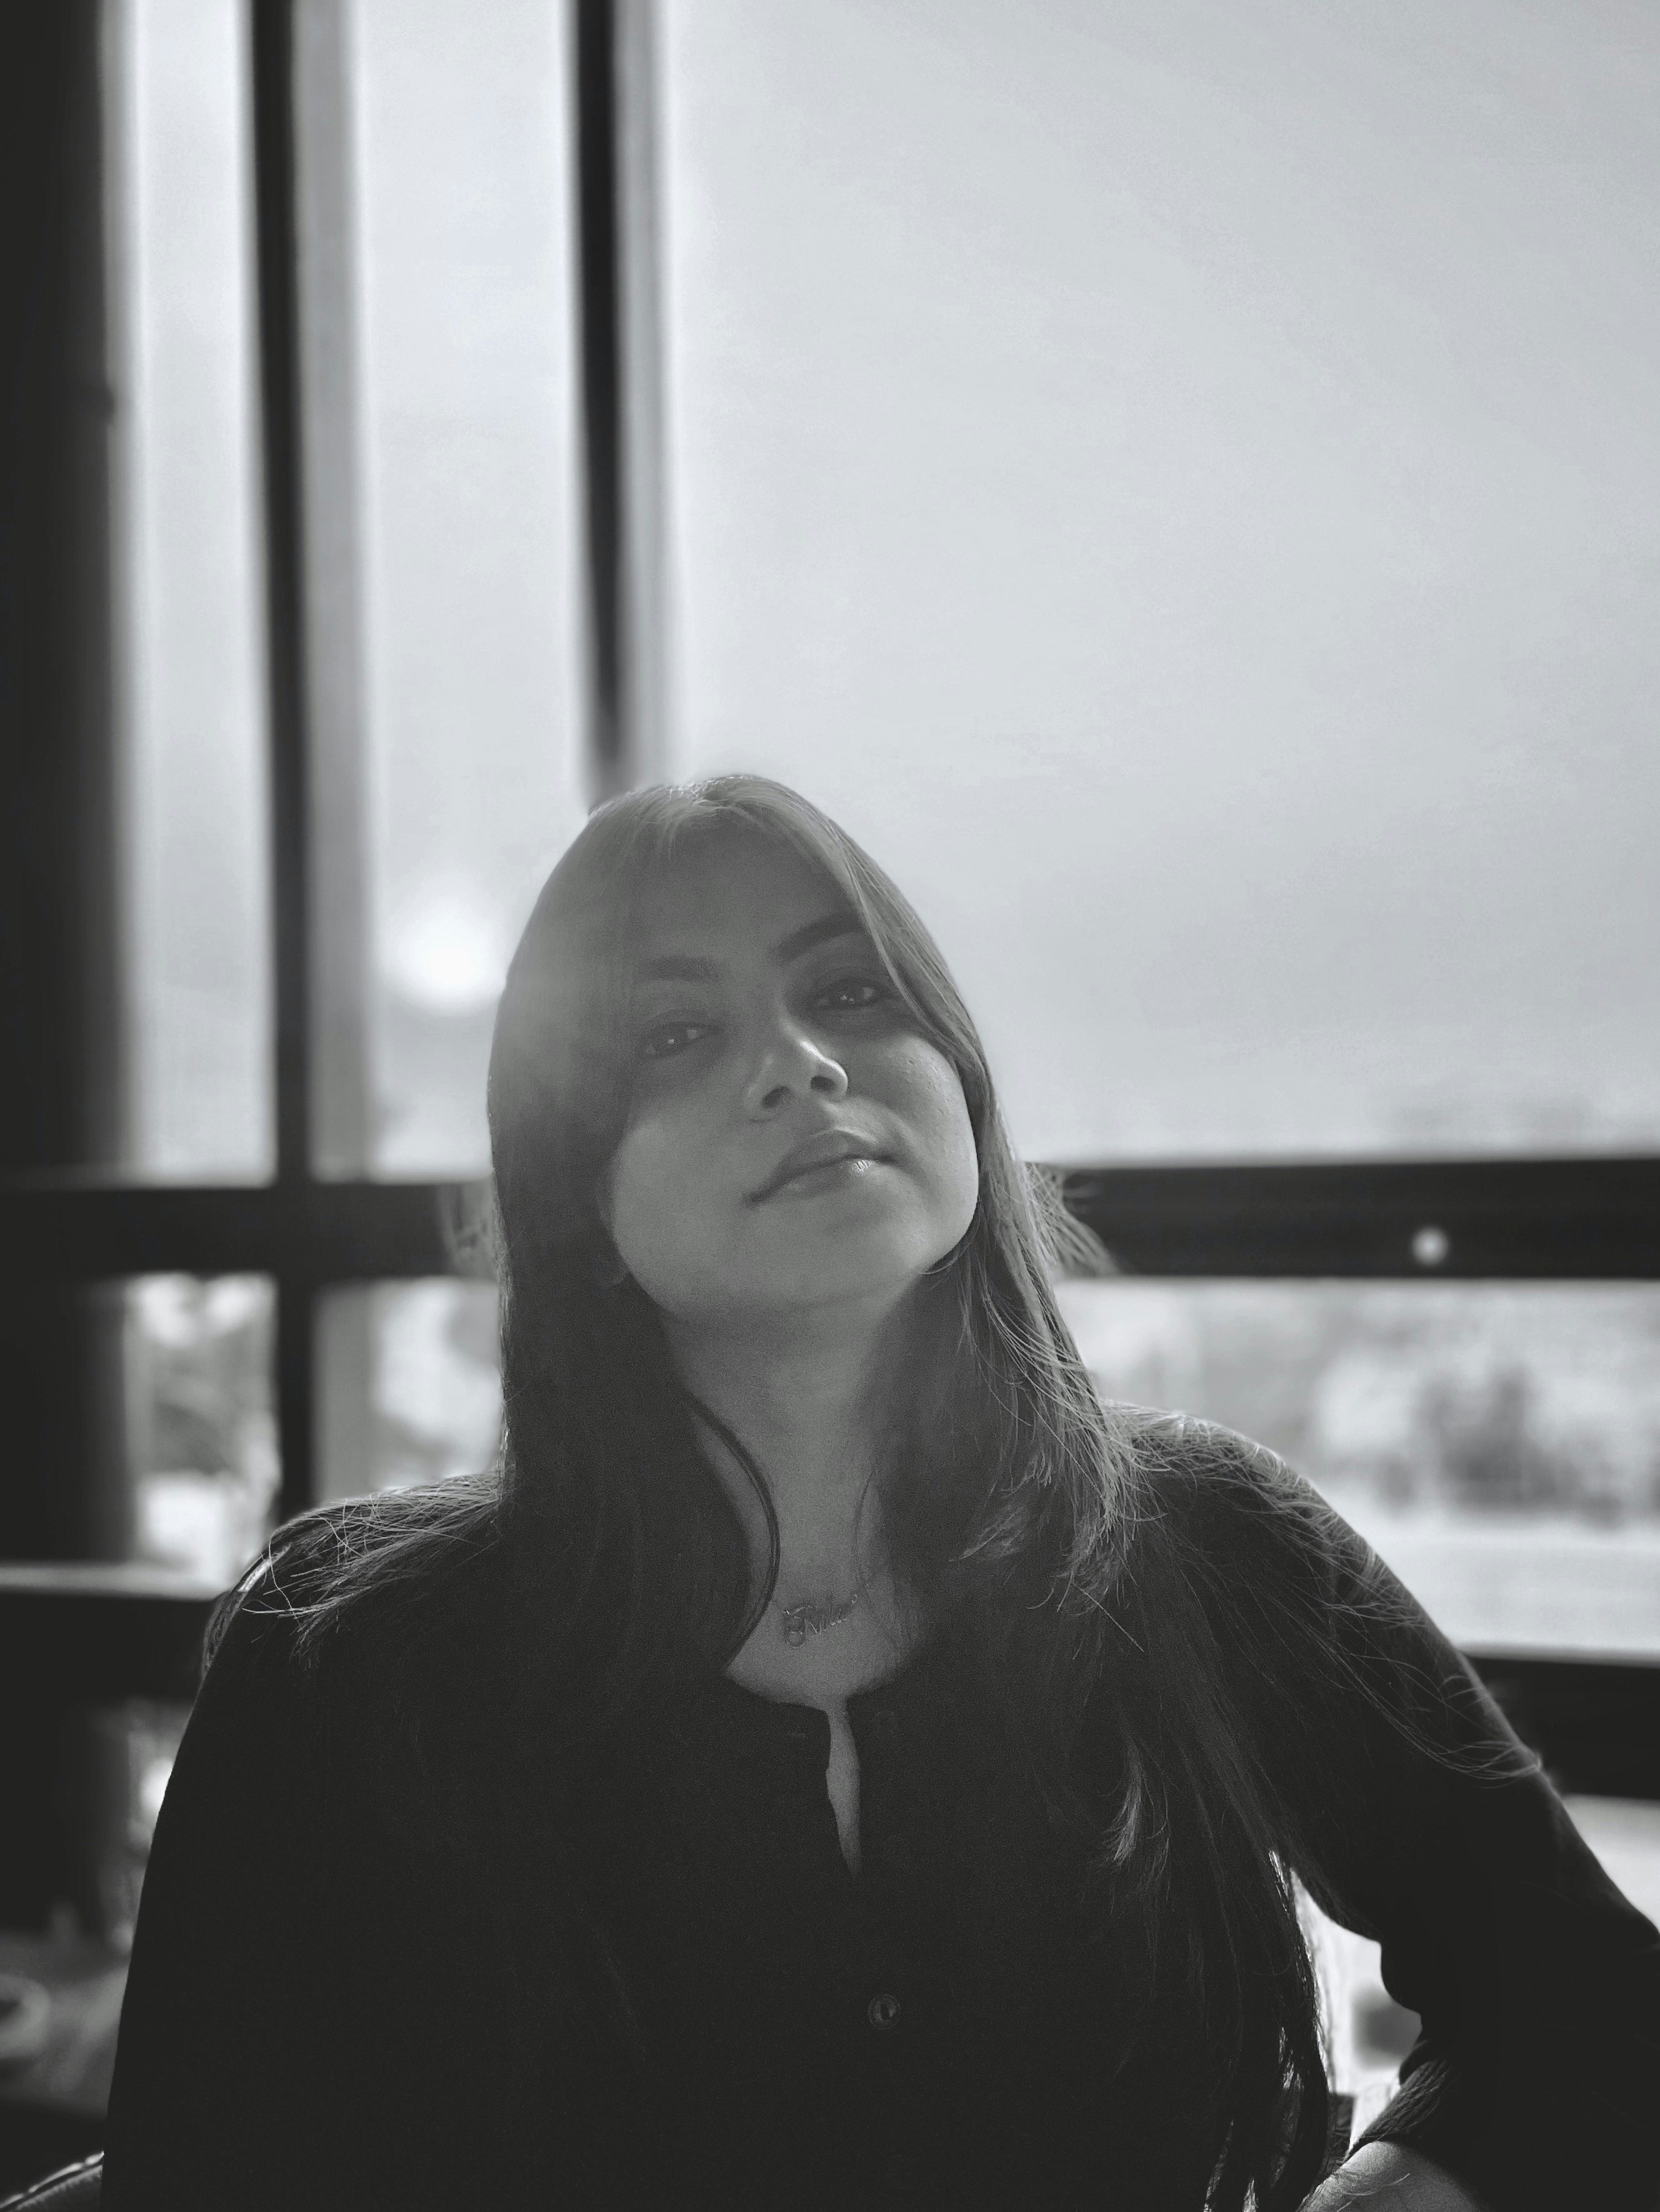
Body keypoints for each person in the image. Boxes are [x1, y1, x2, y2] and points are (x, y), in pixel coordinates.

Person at [102, 776, 1656, 2211]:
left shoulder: (1203, 1546)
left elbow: (1589, 2009)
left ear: (960, 1086)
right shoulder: (346, 1660)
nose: (798, 1063)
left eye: (847, 992)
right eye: (673, 1037)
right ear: (572, 1196)